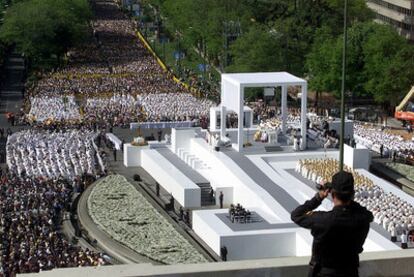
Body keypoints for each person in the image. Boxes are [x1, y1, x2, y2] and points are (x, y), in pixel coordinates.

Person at [291, 171, 373, 277]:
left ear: (333, 194)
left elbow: (296, 215)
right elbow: (367, 213)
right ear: (352, 195)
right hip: (350, 272)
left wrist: (318, 197)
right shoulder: (362, 218)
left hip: (325, 273)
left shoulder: (322, 220)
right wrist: (348, 198)